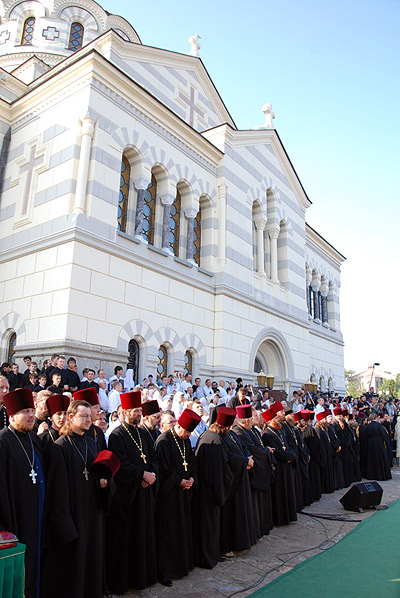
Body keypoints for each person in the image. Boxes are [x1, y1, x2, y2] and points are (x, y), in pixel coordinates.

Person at [41, 400, 111, 598]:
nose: (89, 420)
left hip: (92, 514)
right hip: (73, 517)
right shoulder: (60, 447)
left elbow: (99, 476)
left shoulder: (91, 442)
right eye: (84, 416)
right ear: (71, 418)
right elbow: (57, 493)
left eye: (90, 416)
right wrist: (65, 525)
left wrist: (106, 484)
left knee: (92, 564)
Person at [106, 391, 158, 593]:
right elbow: (120, 464)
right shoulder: (117, 435)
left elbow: (153, 457)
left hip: (144, 493)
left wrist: (151, 474)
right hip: (128, 497)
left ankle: (143, 577)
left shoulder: (144, 433)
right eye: (135, 411)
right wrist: (141, 475)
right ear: (124, 412)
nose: (139, 413)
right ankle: (125, 582)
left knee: (144, 536)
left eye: (139, 410)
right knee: (128, 539)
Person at [0, 388, 45, 598]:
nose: (30, 415)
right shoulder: (2, 441)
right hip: (14, 517)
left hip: (36, 517)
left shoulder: (33, 439)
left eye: (32, 410)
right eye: (25, 411)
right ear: (11, 416)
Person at [154, 408, 200, 586]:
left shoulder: (186, 441)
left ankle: (184, 565)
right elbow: (163, 469)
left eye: (189, 432)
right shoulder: (164, 441)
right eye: (186, 431)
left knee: (183, 528)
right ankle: (167, 571)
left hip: (184, 494)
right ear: (178, 425)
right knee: (169, 532)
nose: (187, 435)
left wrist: (191, 478)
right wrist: (179, 481)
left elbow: (192, 463)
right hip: (169, 496)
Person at [193, 406, 234, 569]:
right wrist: (221, 494)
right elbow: (216, 473)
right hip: (209, 493)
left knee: (210, 525)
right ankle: (207, 558)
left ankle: (212, 555)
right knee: (208, 526)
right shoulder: (215, 441)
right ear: (224, 427)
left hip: (206, 491)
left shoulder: (209, 436)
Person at [74, 387, 107, 452]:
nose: (99, 410)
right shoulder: (77, 432)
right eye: (95, 407)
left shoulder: (98, 431)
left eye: (98, 407)